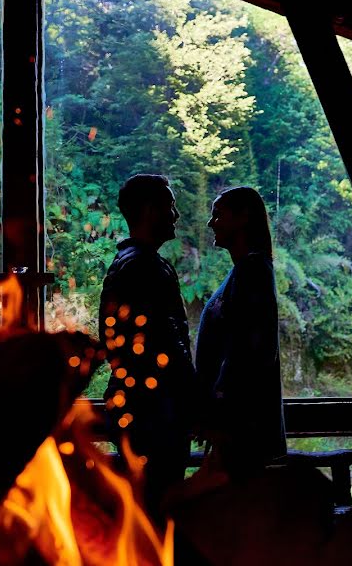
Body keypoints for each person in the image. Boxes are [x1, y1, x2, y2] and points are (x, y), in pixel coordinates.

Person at [99, 174, 197, 522]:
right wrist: (193, 401)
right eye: (169, 206)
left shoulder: (123, 264)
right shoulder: (147, 267)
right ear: (150, 210)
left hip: (135, 407)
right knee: (159, 509)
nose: (176, 214)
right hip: (156, 414)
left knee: (143, 508)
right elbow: (167, 345)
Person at [195, 186, 286, 479]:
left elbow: (250, 352)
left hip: (241, 428)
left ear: (243, 217)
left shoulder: (253, 272)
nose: (212, 223)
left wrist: (219, 410)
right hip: (236, 425)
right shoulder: (244, 272)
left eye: (218, 214)